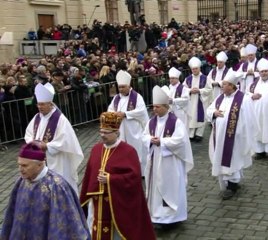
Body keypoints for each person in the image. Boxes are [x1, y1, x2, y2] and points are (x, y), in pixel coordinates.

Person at [80, 112, 156, 240]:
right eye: (101, 131)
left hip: (117, 203)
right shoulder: (96, 149)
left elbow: (134, 179)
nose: (102, 135)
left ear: (116, 132)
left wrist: (110, 179)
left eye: (106, 132)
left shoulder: (128, 151)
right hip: (97, 203)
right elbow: (89, 175)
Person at [0, 143, 90, 239]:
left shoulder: (56, 186)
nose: (20, 169)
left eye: (25, 165)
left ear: (40, 164)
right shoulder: (21, 181)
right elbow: (12, 213)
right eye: (19, 165)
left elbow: (62, 223)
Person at [142, 85, 194, 228]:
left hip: (170, 162)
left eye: (157, 107)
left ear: (166, 106)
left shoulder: (176, 122)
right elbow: (144, 135)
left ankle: (172, 218)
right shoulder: (152, 121)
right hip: (155, 160)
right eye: (153, 107)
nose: (154, 109)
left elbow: (181, 140)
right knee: (157, 189)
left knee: (170, 188)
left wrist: (162, 142)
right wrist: (150, 140)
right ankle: (157, 216)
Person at [24, 82, 84, 193]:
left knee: (59, 188)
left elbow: (66, 140)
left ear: (51, 104)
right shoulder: (37, 117)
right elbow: (28, 133)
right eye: (38, 104)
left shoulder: (60, 119)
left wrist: (47, 145)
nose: (39, 107)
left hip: (57, 160)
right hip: (40, 159)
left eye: (42, 104)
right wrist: (32, 142)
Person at [207, 70, 256, 200]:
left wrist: (240, 132)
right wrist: (214, 113)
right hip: (219, 136)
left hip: (235, 137)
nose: (222, 87)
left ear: (232, 86)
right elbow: (210, 109)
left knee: (233, 159)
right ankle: (232, 182)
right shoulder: (220, 97)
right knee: (223, 159)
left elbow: (249, 119)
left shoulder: (243, 99)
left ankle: (232, 185)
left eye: (224, 84)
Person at [108, 70, 149, 175]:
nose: (121, 89)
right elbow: (110, 109)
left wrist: (125, 114)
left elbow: (141, 111)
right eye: (119, 87)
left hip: (133, 129)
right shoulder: (116, 98)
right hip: (120, 128)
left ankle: (139, 172)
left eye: (123, 87)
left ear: (129, 85)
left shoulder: (137, 97)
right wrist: (114, 114)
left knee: (136, 150)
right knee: (121, 150)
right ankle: (124, 171)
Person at [183, 56, 212, 142]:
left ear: (199, 68)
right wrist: (190, 90)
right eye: (193, 69)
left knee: (201, 116)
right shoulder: (188, 79)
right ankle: (191, 134)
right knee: (191, 117)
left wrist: (200, 90)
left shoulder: (205, 78)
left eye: (196, 69)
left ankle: (199, 134)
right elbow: (183, 89)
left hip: (201, 101)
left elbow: (209, 89)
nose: (194, 70)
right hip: (191, 100)